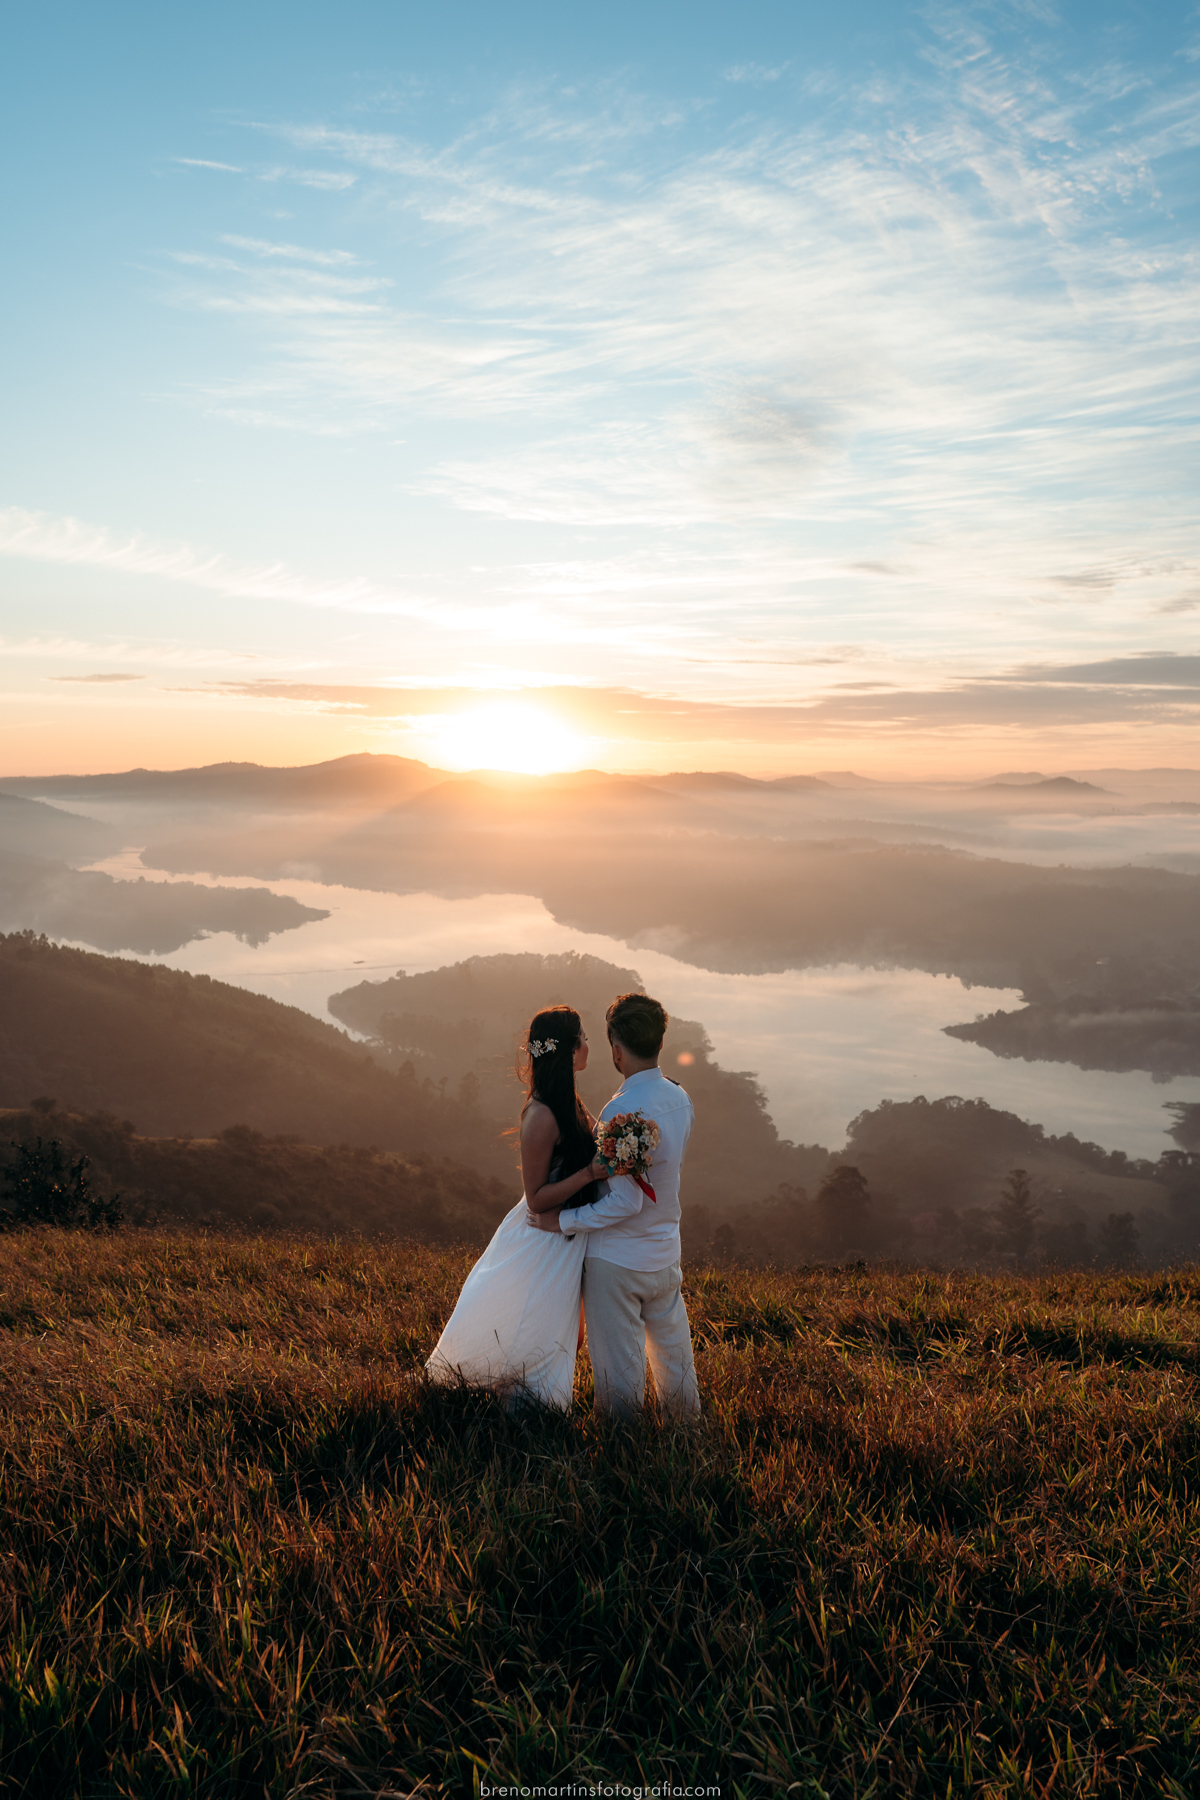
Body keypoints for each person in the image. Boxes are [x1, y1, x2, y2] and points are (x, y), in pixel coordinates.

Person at [425, 1004, 608, 1407]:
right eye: (585, 1038)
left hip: (567, 1233)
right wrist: (589, 1175)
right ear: (570, 1049)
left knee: (557, 1330)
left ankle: (525, 1398)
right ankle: (521, 1403)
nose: (589, 1045)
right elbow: (537, 1198)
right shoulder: (541, 1115)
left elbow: (598, 1139)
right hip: (541, 1237)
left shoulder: (569, 1101)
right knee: (529, 1323)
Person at [528, 992, 700, 1420]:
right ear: (659, 1043)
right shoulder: (681, 1099)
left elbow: (624, 1201)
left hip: (618, 1263)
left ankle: (623, 1451)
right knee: (676, 1360)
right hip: (664, 1253)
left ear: (616, 1050)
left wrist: (565, 1220)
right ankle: (687, 1435)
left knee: (618, 1374)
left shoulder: (620, 1111)